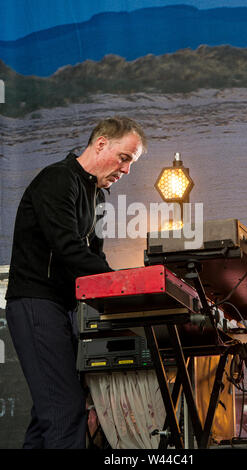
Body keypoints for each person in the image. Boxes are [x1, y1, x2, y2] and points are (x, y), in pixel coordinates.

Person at [5, 116, 147, 449]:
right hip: (36, 302)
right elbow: (68, 248)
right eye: (124, 158)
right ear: (101, 144)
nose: (126, 170)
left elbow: (95, 260)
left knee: (49, 415)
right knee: (66, 411)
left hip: (63, 308)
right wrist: (124, 285)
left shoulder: (99, 198)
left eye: (131, 163)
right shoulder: (57, 180)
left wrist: (122, 290)